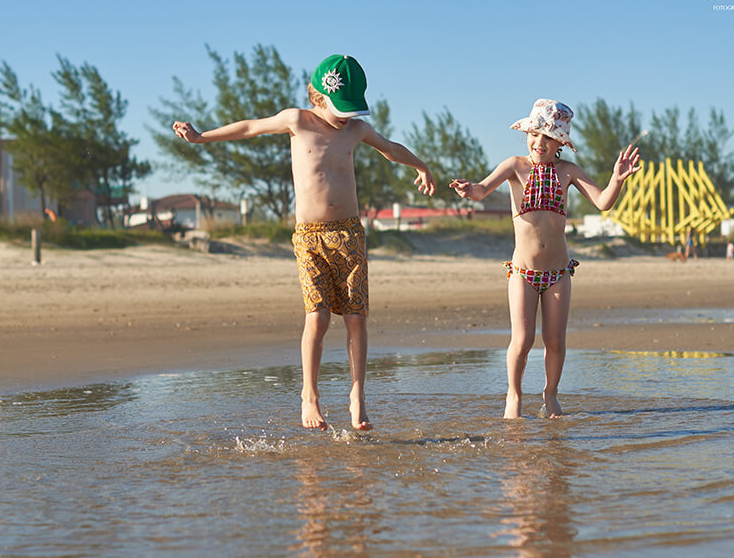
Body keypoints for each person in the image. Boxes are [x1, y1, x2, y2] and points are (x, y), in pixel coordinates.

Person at [173, 54, 435, 431]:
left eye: (352, 109)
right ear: (318, 96)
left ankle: (357, 395)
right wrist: (202, 137)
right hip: (309, 238)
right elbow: (249, 127)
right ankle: (309, 396)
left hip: (350, 234)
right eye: (339, 108)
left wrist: (421, 166)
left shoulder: (355, 131)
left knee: (357, 319)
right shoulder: (296, 120)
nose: (346, 116)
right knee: (318, 316)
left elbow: (391, 147)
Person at [450, 99, 641, 419]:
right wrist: (469, 189)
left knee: (555, 341)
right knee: (522, 340)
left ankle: (550, 395)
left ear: (561, 143)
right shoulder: (514, 166)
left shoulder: (568, 172)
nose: (540, 142)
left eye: (549, 137)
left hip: (558, 273)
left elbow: (603, 202)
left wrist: (617, 180)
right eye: (535, 134)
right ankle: (514, 395)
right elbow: (482, 190)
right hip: (523, 272)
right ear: (527, 134)